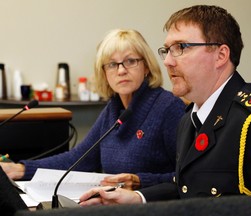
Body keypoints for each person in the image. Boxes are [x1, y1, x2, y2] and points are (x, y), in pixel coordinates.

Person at [78, 5, 251, 206]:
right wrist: (137, 198)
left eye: (181, 47)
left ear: (221, 55)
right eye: (167, 50)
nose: (168, 61)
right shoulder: (189, 120)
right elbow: (185, 187)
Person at [0, 29, 185, 190]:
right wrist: (21, 169)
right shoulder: (113, 110)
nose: (121, 71)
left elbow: (188, 177)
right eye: (112, 64)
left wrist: (141, 182)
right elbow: (80, 159)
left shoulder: (168, 107)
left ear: (146, 66)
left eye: (130, 61)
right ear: (104, 73)